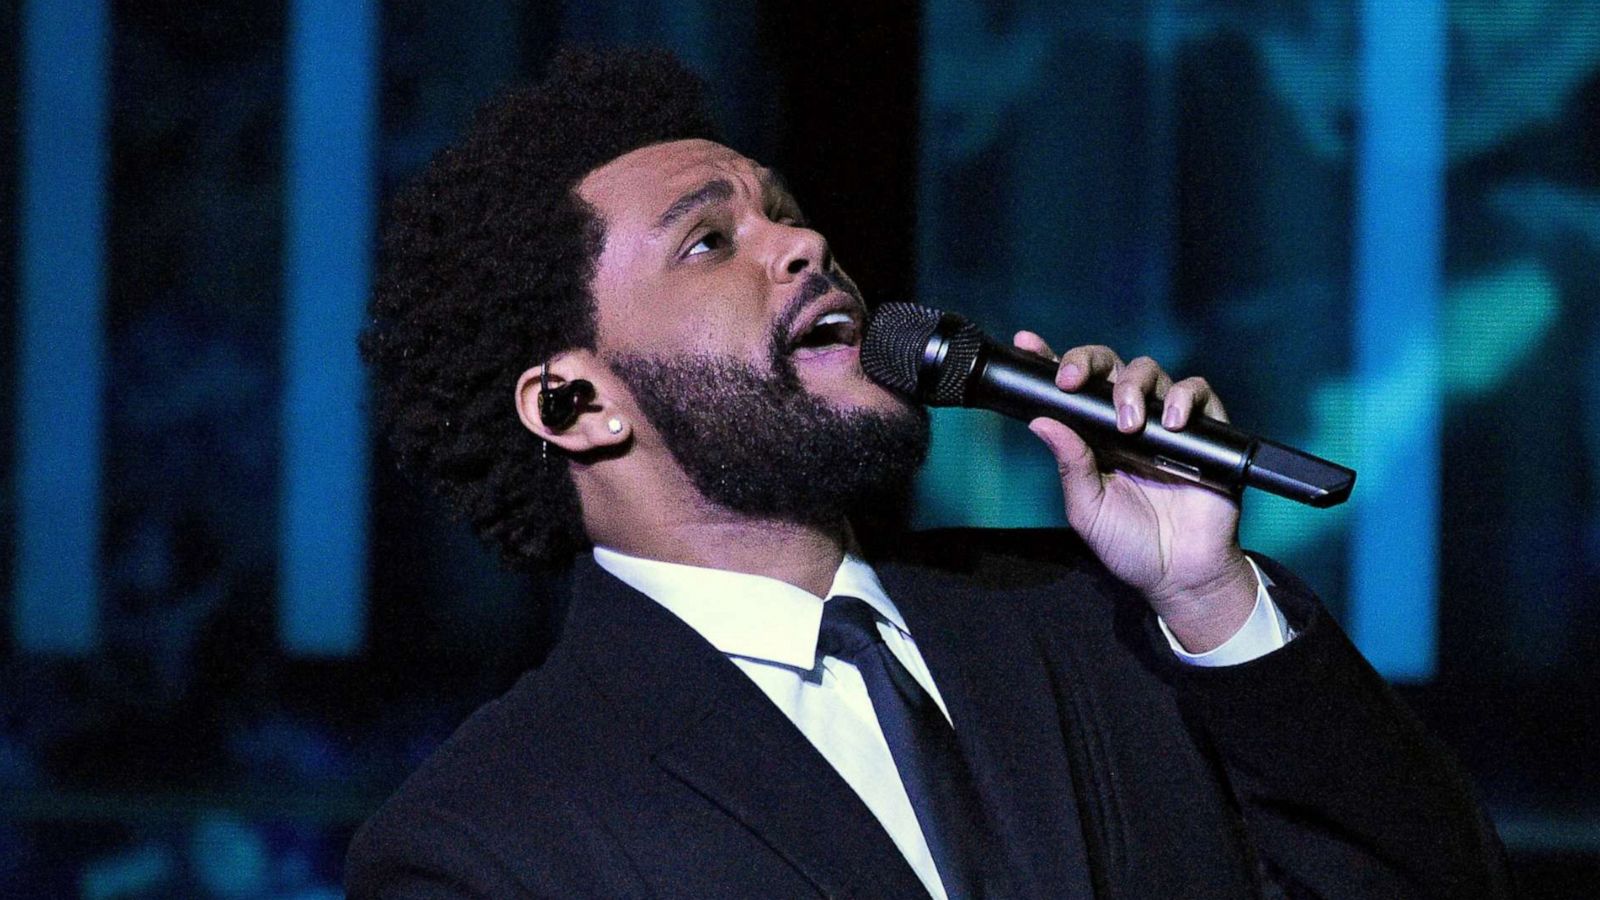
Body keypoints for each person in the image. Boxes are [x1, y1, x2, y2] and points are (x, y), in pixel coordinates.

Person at [347, 48, 1509, 898]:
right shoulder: (489, 837)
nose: (802, 246)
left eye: (786, 214)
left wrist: (1207, 599)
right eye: (710, 240)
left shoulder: (1098, 633)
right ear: (576, 403)